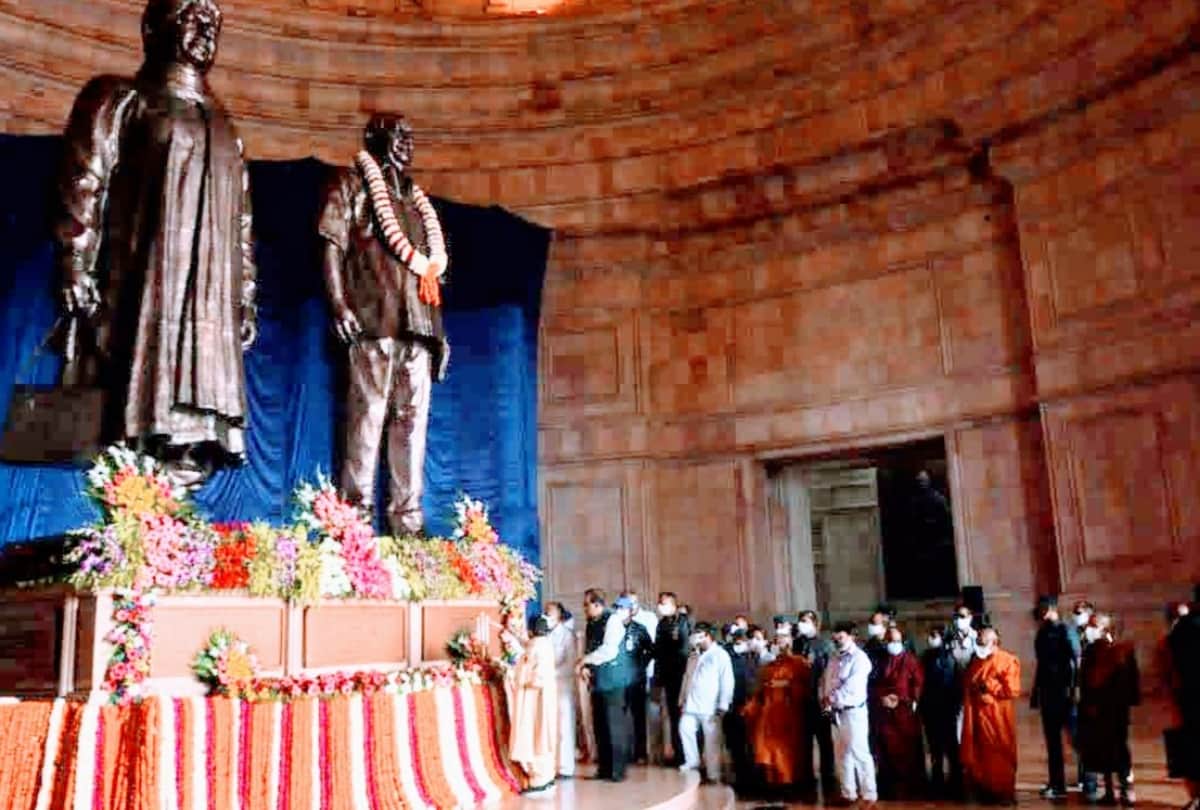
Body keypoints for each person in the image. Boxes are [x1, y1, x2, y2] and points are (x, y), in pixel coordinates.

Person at [56, 0, 258, 489]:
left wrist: (245, 299)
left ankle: (172, 515)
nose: (205, 30)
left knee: (192, 434)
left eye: (213, 23)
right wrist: (75, 262)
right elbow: (86, 180)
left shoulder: (226, 128)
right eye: (193, 17)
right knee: (136, 414)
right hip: (144, 293)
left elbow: (243, 229)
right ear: (153, 27)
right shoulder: (121, 98)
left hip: (208, 312)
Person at [743, 624, 814, 798]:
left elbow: (805, 689)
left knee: (787, 752)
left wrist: (786, 687)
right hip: (768, 714)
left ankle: (790, 784)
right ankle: (772, 784)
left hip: (789, 713)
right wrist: (750, 707)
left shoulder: (799, 663)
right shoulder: (768, 666)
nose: (778, 642)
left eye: (782, 639)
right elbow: (760, 691)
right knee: (768, 750)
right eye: (776, 640)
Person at [1078, 613, 1140, 806]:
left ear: (1105, 629)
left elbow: (1131, 681)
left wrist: (1125, 703)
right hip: (1095, 711)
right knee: (1100, 751)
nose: (1089, 629)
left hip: (1115, 710)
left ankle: (1126, 789)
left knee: (1120, 749)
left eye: (1093, 625)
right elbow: (1084, 681)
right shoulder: (1090, 651)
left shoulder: (1122, 650)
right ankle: (1109, 791)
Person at [960, 626, 1021, 804]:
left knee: (1000, 753)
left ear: (994, 642)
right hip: (977, 716)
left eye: (983, 642)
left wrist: (990, 686)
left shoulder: (1008, 660)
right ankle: (984, 791)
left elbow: (1013, 690)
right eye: (978, 642)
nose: (979, 645)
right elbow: (968, 683)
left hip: (998, 717)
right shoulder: (976, 661)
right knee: (980, 754)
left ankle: (1004, 792)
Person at [579, 591, 636, 783]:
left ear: (597, 604)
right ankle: (604, 768)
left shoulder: (612, 621)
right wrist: (586, 667)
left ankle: (617, 770)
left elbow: (609, 650)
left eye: (586, 605)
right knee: (600, 726)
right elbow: (590, 647)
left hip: (613, 681)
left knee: (614, 727)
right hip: (598, 682)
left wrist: (584, 660)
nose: (584, 609)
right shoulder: (591, 623)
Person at [821, 621, 877, 806]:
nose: (837, 640)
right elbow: (826, 681)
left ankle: (869, 793)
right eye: (835, 637)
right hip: (836, 712)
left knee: (859, 752)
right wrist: (825, 699)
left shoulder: (860, 659)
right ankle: (848, 792)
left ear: (852, 637)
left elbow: (853, 687)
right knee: (842, 753)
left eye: (841, 637)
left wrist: (832, 698)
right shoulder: (834, 658)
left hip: (854, 712)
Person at [1032, 596, 1081, 800]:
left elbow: (1076, 659)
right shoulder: (1042, 632)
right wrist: (1036, 692)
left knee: (1076, 738)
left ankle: (1088, 781)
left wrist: (1076, 688)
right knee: (1052, 742)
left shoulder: (1065, 630)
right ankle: (1057, 784)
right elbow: (1041, 665)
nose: (1039, 611)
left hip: (1066, 692)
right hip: (1048, 693)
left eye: (1042, 607)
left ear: (1051, 608)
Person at [870, 626, 926, 799]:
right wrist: (882, 698)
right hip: (884, 711)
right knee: (885, 747)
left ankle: (910, 786)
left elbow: (918, 683)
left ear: (903, 642)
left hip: (905, 711)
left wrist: (904, 699)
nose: (892, 645)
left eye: (896, 641)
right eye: (889, 641)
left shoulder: (911, 660)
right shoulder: (880, 661)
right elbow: (874, 683)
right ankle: (888, 785)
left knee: (907, 748)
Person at [678, 622, 735, 784]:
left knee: (712, 740)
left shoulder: (720, 655)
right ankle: (692, 761)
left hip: (710, 706)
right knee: (685, 728)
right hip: (691, 704)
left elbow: (727, 680)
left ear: (708, 636)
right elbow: (687, 677)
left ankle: (713, 773)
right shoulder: (694, 655)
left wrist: (723, 704)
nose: (695, 638)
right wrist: (682, 698)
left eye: (699, 635)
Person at [510, 616, 559, 794]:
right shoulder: (541, 644)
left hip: (536, 700)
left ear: (531, 630)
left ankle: (540, 780)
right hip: (538, 698)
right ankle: (543, 777)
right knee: (539, 737)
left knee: (536, 737)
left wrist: (518, 673)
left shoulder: (537, 647)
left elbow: (536, 676)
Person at [795, 609, 838, 800]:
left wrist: (827, 699)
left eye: (805, 621)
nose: (801, 624)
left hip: (818, 699)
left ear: (815, 623)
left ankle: (828, 776)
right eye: (800, 621)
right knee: (803, 741)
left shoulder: (825, 645)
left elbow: (829, 673)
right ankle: (806, 776)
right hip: (801, 699)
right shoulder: (797, 644)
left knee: (824, 741)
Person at [920, 626, 963, 798]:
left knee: (952, 747)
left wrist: (955, 706)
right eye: (930, 635)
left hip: (947, 708)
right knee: (935, 748)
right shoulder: (925, 657)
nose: (931, 638)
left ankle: (955, 781)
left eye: (934, 635)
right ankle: (937, 780)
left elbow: (956, 685)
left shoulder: (952, 658)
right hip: (931, 709)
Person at [1167, 588, 1199, 810]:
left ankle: (1197, 796)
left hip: (1190, 697)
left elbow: (1171, 665)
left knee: (1192, 750)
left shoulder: (1183, 629)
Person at [652, 591, 691, 766]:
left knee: (682, 716)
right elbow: (659, 652)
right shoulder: (661, 624)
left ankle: (687, 755)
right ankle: (678, 754)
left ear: (674, 605)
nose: (661, 606)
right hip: (667, 676)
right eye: (660, 603)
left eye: (665, 603)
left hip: (680, 675)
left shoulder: (682, 622)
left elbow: (684, 650)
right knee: (673, 717)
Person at [620, 594, 655, 765]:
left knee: (638, 717)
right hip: (618, 680)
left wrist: (640, 664)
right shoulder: (613, 627)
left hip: (636, 678)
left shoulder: (640, 629)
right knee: (619, 717)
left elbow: (650, 650)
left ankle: (640, 752)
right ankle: (622, 752)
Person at [544, 602, 578, 779]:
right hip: (546, 686)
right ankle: (551, 765)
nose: (546, 616)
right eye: (545, 612)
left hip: (562, 684)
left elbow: (570, 663)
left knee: (564, 726)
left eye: (549, 612)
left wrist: (550, 673)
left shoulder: (567, 635)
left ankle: (565, 767)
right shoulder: (544, 635)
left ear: (558, 615)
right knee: (549, 726)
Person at [723, 627, 758, 792]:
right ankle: (740, 776)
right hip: (732, 705)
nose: (742, 644)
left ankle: (751, 777)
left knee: (750, 743)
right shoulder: (726, 656)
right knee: (735, 744)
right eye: (739, 641)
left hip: (749, 706)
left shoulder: (752, 656)